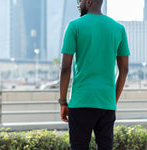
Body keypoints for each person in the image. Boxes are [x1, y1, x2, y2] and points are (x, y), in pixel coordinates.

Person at [59, 0, 130, 149]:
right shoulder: (119, 29)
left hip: (81, 102)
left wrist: (63, 101)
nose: (78, 4)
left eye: (80, 1)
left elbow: (65, 68)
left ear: (89, 1)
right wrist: (113, 101)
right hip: (106, 103)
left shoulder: (74, 26)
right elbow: (124, 70)